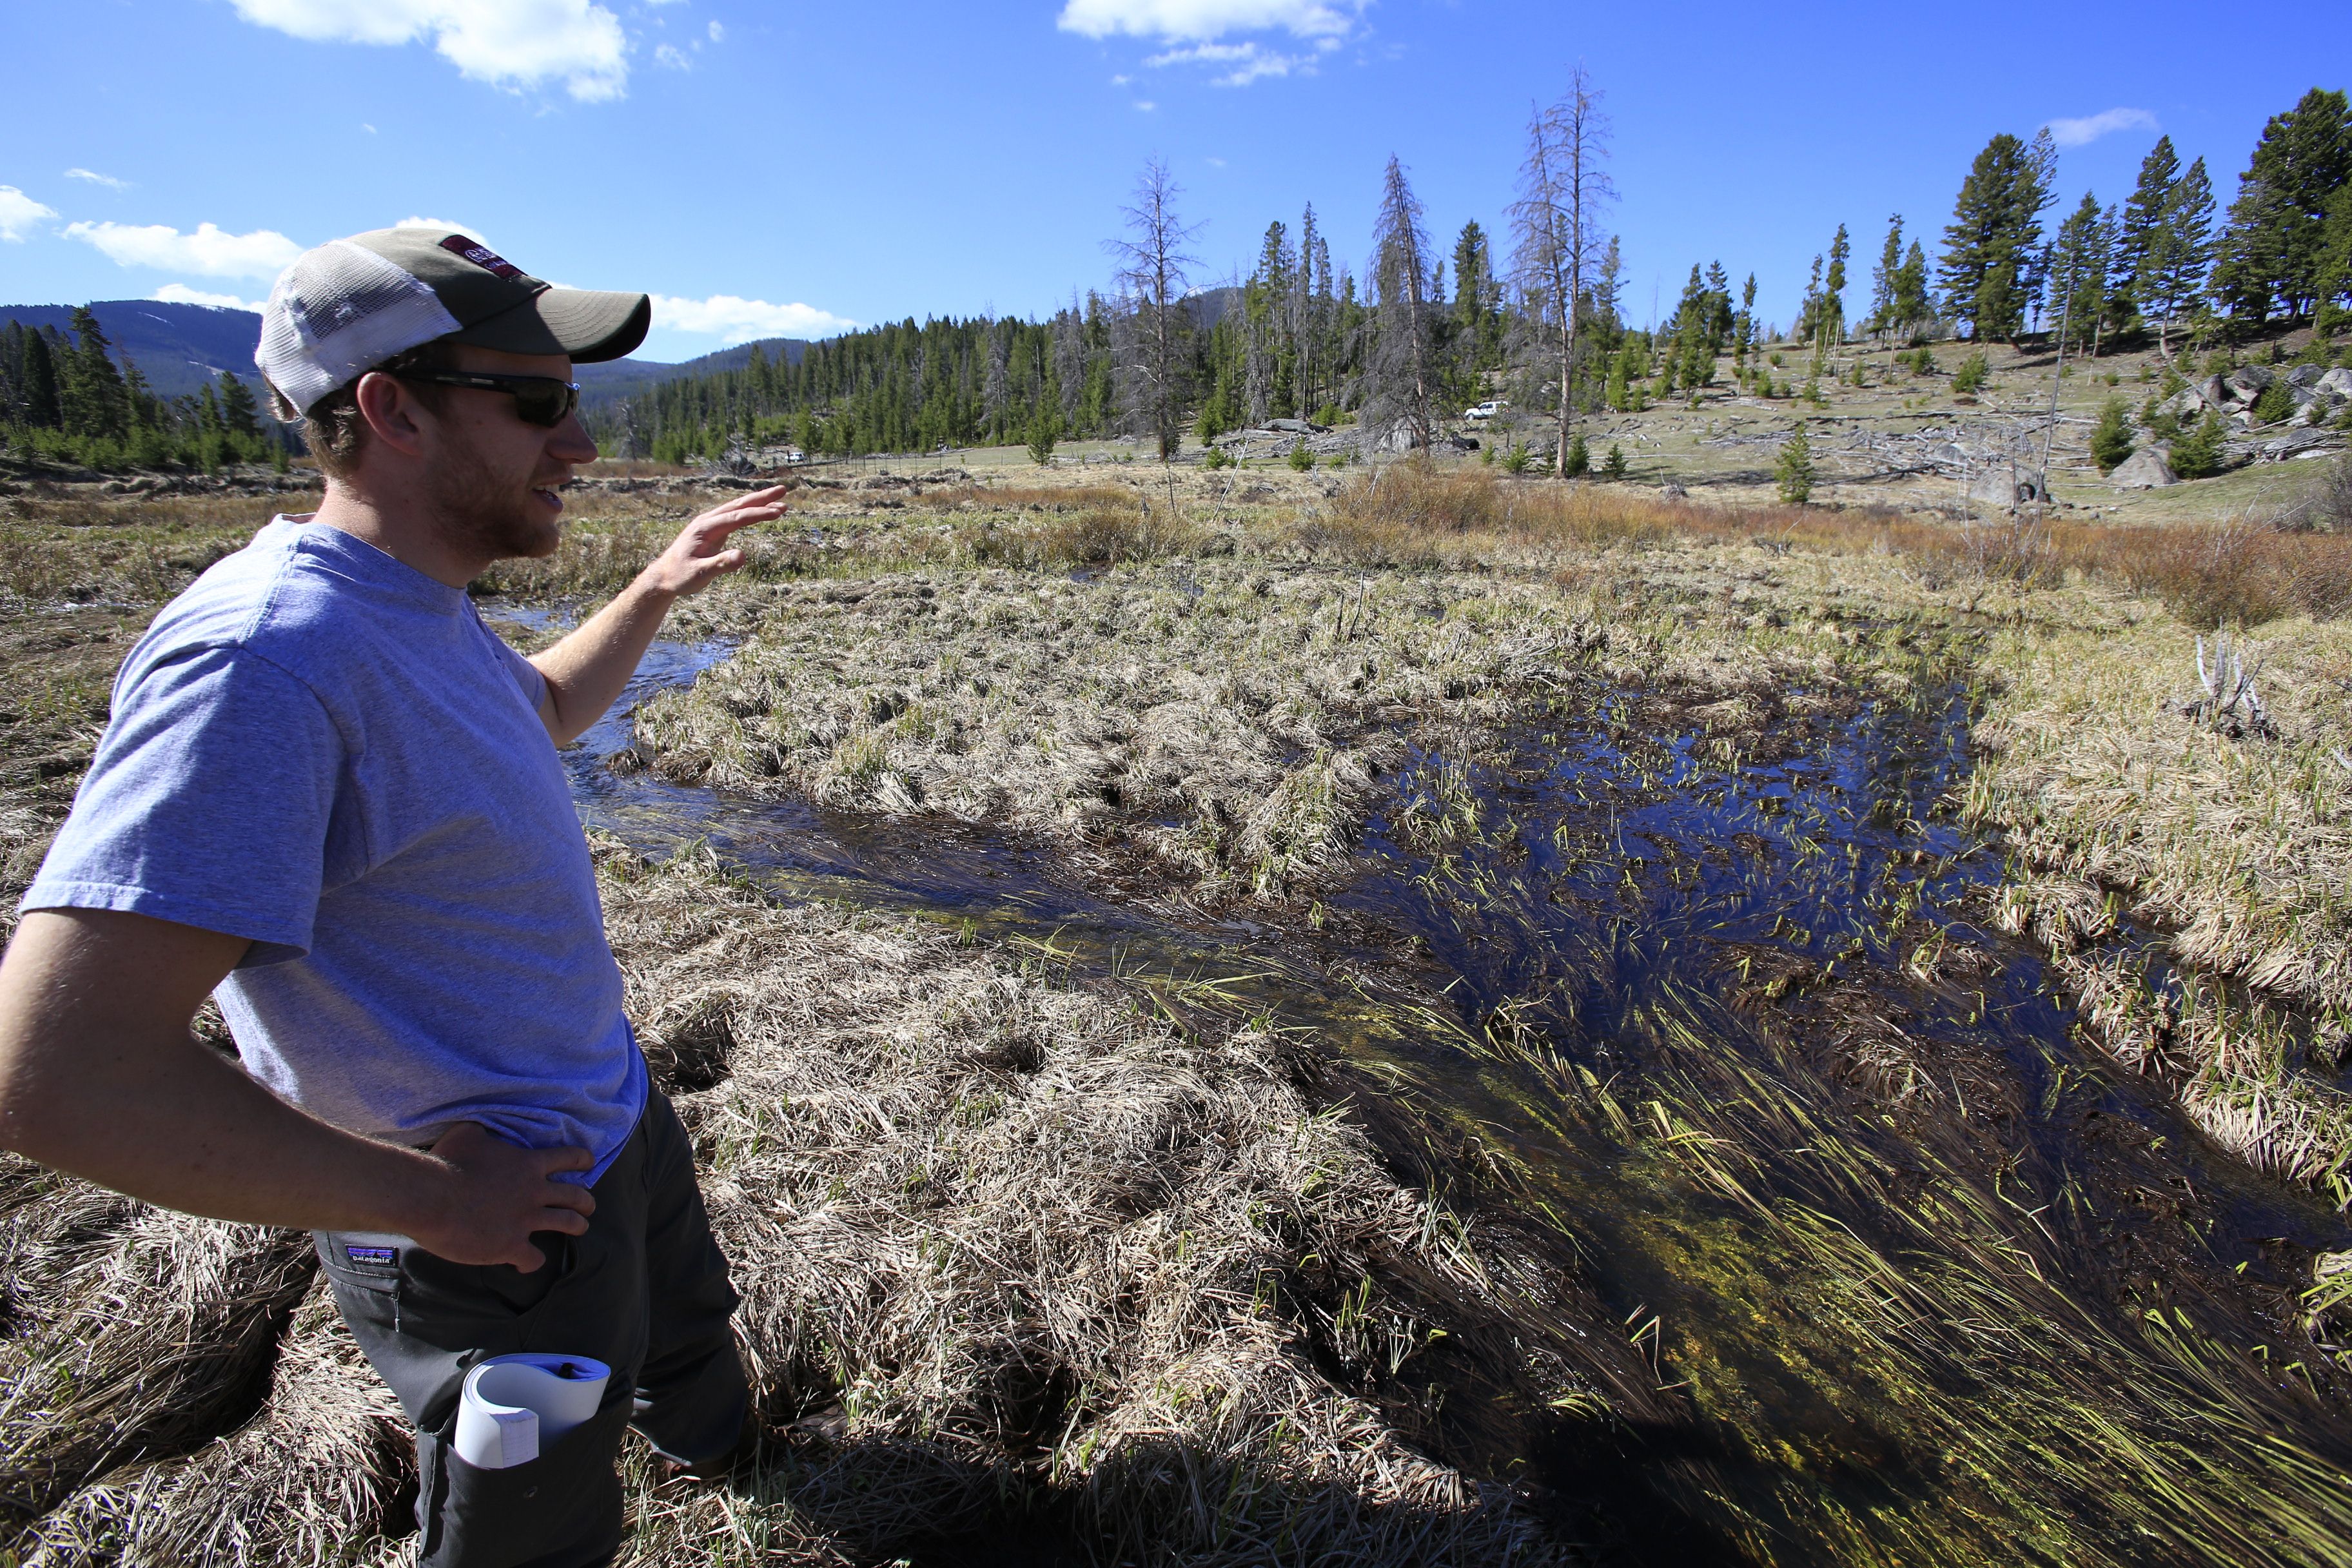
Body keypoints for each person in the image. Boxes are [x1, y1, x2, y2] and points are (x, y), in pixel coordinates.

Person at [0, 227, 787, 1567]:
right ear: (391, 409)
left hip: (604, 1127)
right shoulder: (263, 664)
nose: (581, 443)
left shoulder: (414, 601)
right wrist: (431, 1203)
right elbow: (53, 1071)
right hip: (493, 1241)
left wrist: (651, 593)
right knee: (527, 1527)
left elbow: (529, 711)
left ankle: (726, 1452)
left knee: (681, 1329)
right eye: (539, 401)